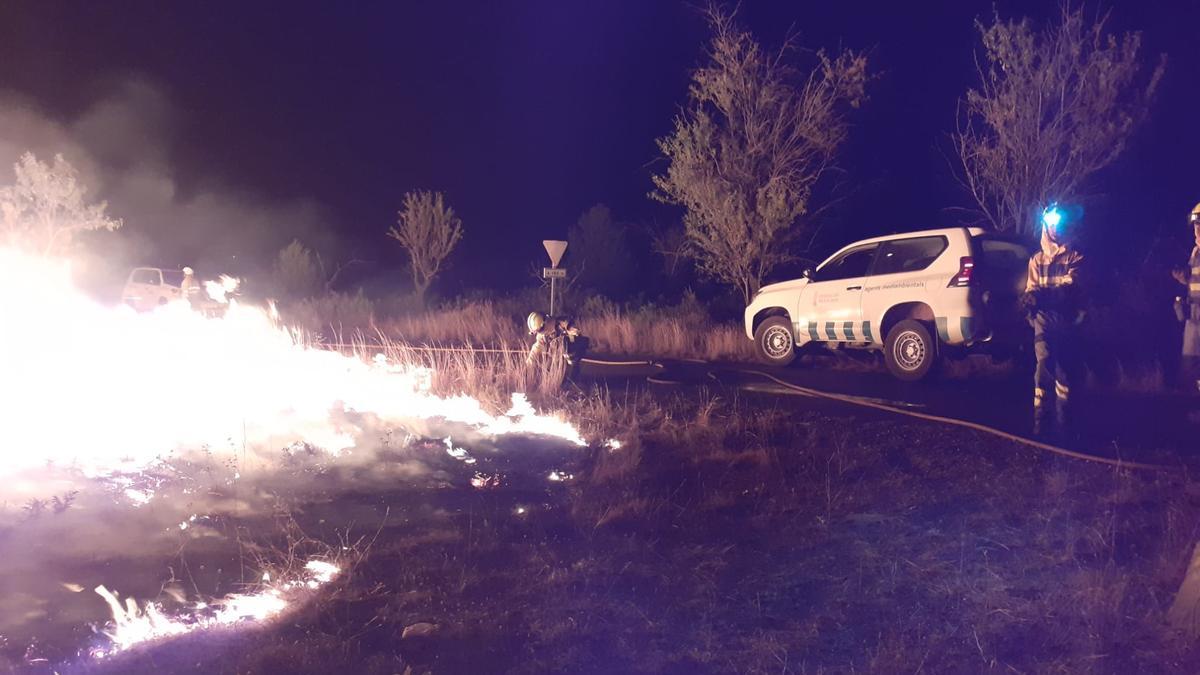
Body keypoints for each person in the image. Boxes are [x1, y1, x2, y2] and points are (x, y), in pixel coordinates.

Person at [1021, 205, 1086, 437]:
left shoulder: (1075, 256)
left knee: (1065, 371)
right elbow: (1032, 288)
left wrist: (1041, 295)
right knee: (1043, 365)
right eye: (1051, 224)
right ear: (1046, 226)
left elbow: (1070, 287)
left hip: (1067, 321)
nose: (1055, 228)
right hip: (1043, 321)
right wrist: (1029, 302)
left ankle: (1064, 421)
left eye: (1059, 224)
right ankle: (1040, 421)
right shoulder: (1036, 260)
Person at [1171, 202, 1200, 392]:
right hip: (1194, 319)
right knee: (1190, 367)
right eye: (1196, 227)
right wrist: (1184, 277)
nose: (1197, 232)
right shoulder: (1196, 252)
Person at [526, 311, 589, 380]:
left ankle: (573, 375)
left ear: (545, 322)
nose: (541, 332)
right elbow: (536, 349)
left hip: (574, 348)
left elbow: (576, 334)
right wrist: (528, 365)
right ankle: (559, 377)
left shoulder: (563, 323)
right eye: (538, 332)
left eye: (540, 330)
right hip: (559, 357)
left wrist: (564, 339)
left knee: (559, 344)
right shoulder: (542, 335)